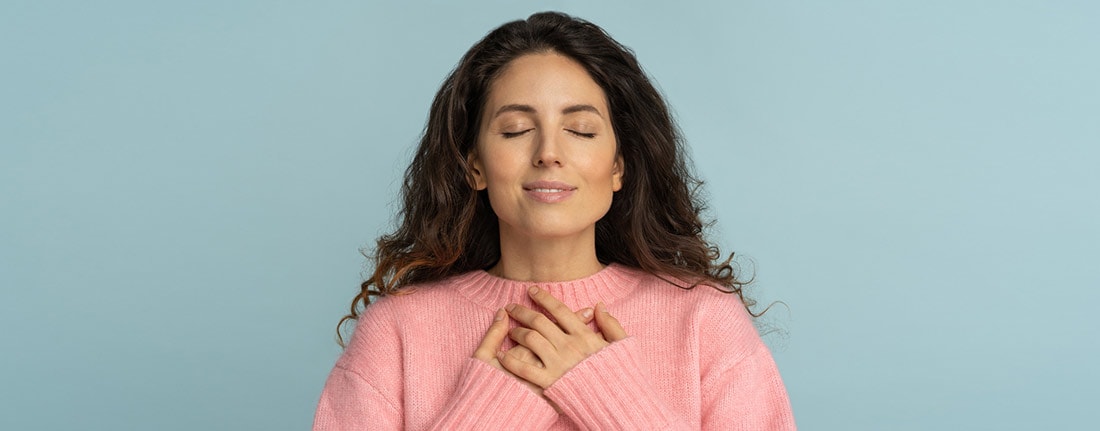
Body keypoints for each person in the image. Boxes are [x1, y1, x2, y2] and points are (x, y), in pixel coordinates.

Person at [313, 11, 795, 430]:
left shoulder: (704, 320)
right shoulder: (397, 331)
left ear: (618, 165)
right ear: (474, 165)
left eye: (581, 130)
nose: (548, 153)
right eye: (516, 129)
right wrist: (491, 411)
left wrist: (611, 398)